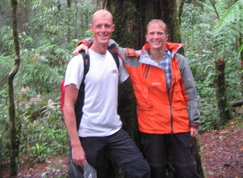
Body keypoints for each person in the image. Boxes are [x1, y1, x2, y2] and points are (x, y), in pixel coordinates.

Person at [75, 19, 201, 178]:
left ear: (166, 36)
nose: (156, 37)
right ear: (146, 37)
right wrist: (85, 42)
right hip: (151, 126)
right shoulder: (136, 59)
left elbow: (190, 91)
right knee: (156, 169)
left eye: (160, 33)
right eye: (152, 33)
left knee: (186, 168)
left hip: (180, 124)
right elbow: (108, 41)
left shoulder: (178, 60)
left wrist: (194, 121)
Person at [63, 9, 151, 178]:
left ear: (113, 28)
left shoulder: (115, 58)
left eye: (107, 26)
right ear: (91, 28)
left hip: (114, 131)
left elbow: (136, 81)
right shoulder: (79, 62)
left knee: (141, 170)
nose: (103, 30)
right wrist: (75, 145)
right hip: (87, 133)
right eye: (98, 26)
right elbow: (68, 106)